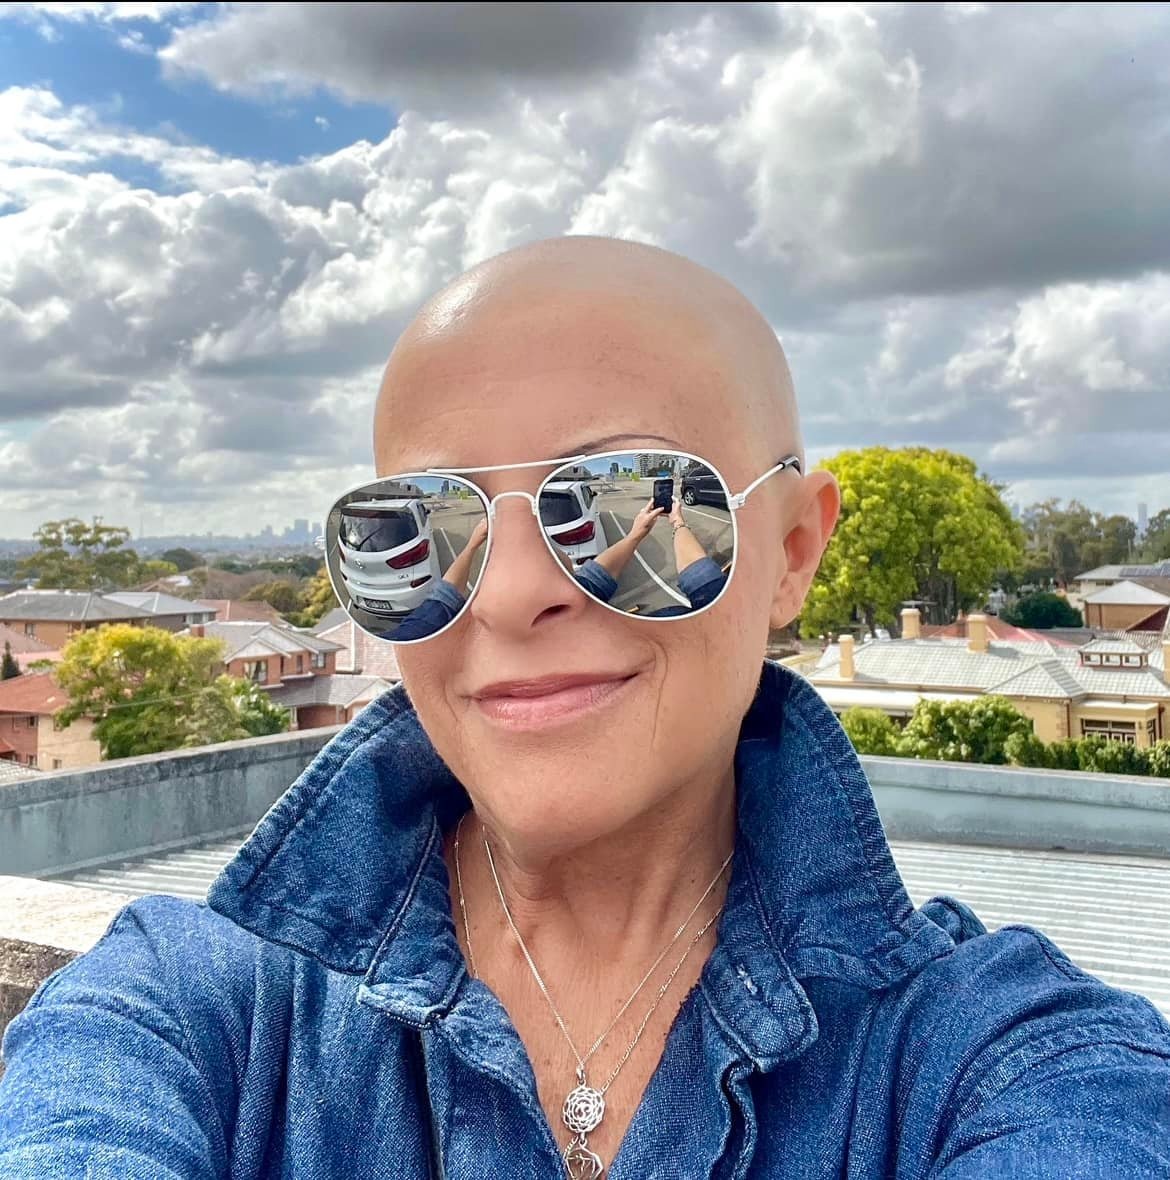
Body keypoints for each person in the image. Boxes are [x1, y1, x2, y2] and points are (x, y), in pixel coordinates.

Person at [1, 237, 1167, 1178]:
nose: (510, 595)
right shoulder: (186, 1013)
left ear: (792, 551)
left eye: (626, 506)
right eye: (420, 531)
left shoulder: (1011, 1062)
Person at [391, 495, 726, 640]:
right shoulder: (579, 595)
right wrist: (676, 523)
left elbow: (444, 599)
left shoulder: (419, 631)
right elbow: (704, 583)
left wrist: (474, 544)